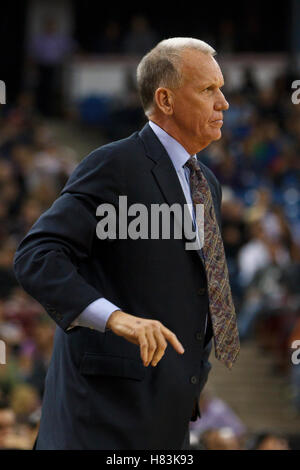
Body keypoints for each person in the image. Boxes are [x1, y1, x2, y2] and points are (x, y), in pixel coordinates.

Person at [13, 37, 240, 450]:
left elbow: (200, 288)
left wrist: (193, 374)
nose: (223, 102)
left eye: (221, 88)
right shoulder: (114, 164)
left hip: (165, 414)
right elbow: (36, 256)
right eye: (208, 89)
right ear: (166, 100)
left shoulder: (208, 183)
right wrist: (116, 318)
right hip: (100, 418)